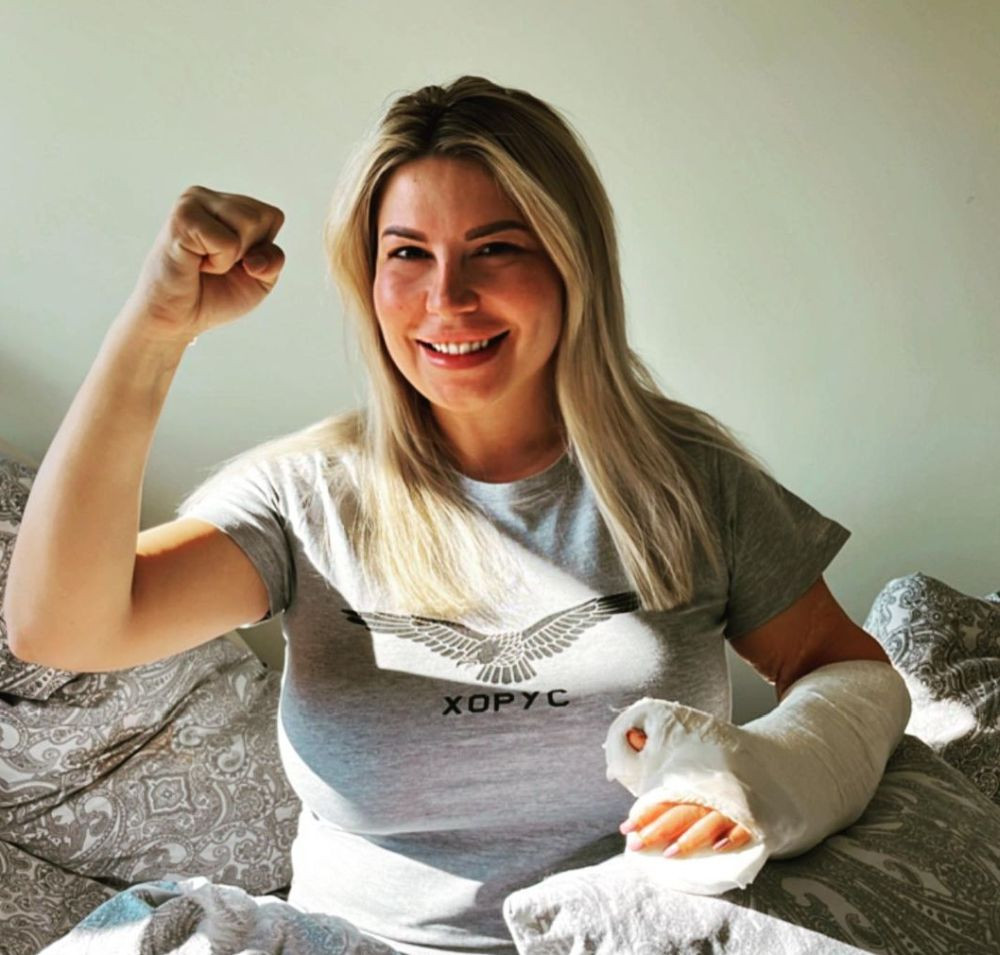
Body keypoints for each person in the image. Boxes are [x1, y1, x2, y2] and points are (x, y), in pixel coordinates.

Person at [5, 76, 895, 955]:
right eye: (408, 254)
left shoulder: (691, 482)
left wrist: (763, 778)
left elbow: (847, 672)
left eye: (495, 248)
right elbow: (60, 628)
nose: (448, 298)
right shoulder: (303, 496)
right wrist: (157, 329)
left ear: (570, 262)